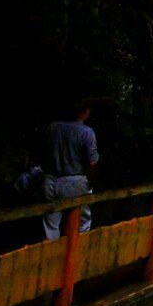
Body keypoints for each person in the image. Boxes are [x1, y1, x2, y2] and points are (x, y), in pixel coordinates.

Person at [39, 102, 99, 240]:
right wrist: (91, 182)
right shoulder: (86, 132)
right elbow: (92, 161)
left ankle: (52, 255)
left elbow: (43, 153)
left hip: (51, 180)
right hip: (74, 181)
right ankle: (78, 252)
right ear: (83, 112)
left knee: (51, 223)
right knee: (82, 221)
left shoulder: (53, 127)